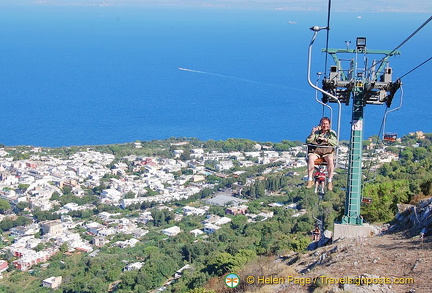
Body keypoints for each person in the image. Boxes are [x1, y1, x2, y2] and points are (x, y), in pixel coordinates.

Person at [305, 117, 337, 191]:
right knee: (311, 158)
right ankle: (310, 180)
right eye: (323, 124)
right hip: (317, 151)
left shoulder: (332, 133)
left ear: (329, 124)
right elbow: (308, 141)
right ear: (320, 124)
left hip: (327, 152)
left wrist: (326, 139)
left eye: (326, 124)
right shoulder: (316, 133)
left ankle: (329, 181)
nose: (325, 125)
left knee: (330, 159)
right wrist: (312, 133)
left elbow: (335, 142)